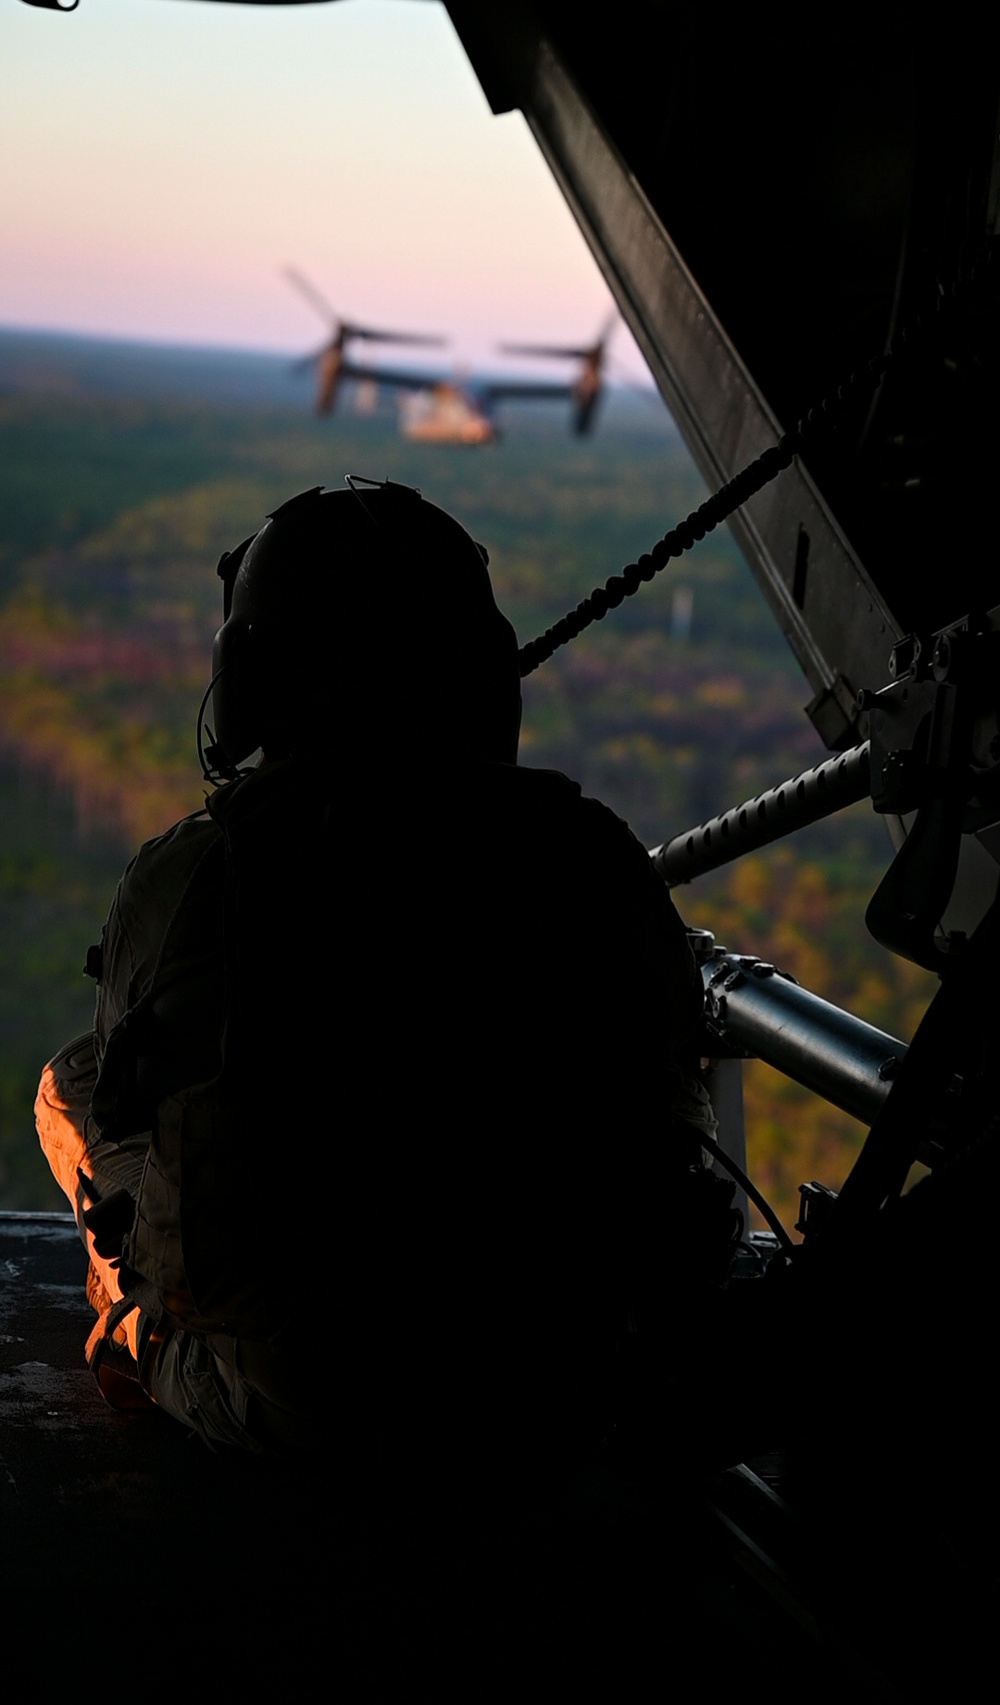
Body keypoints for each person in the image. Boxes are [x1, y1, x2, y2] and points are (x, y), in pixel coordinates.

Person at [35, 477, 712, 1457]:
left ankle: (139, 1341)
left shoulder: (194, 874)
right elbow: (673, 1130)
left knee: (72, 1085)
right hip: (556, 1396)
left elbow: (148, 1147)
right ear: (484, 674)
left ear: (247, 679)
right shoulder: (591, 859)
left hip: (307, 1404)